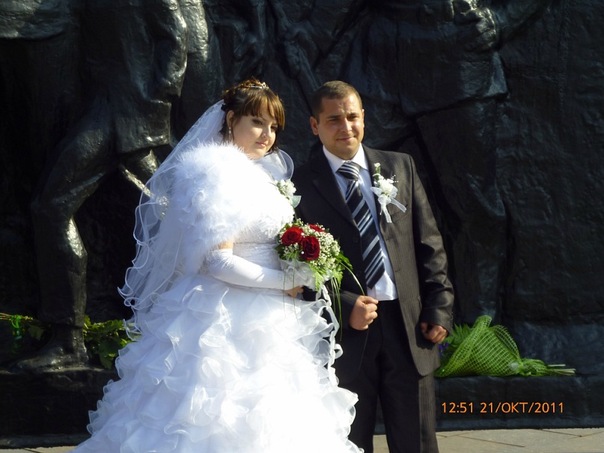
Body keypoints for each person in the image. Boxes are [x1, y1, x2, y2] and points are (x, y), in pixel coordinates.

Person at [72, 78, 361, 452]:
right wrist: (284, 281)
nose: (267, 135)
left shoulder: (259, 173)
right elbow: (217, 260)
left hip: (268, 314)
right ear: (230, 119)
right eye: (257, 122)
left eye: (273, 126)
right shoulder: (217, 172)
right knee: (214, 415)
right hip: (223, 314)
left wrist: (301, 259)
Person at [293, 81, 454, 453]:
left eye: (352, 117)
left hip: (408, 327)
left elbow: (429, 244)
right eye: (334, 120)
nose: (346, 127)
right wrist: (345, 305)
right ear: (315, 125)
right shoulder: (298, 184)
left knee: (416, 441)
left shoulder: (400, 167)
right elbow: (295, 269)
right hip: (345, 336)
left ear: (363, 117)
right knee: (349, 441)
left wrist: (439, 307)